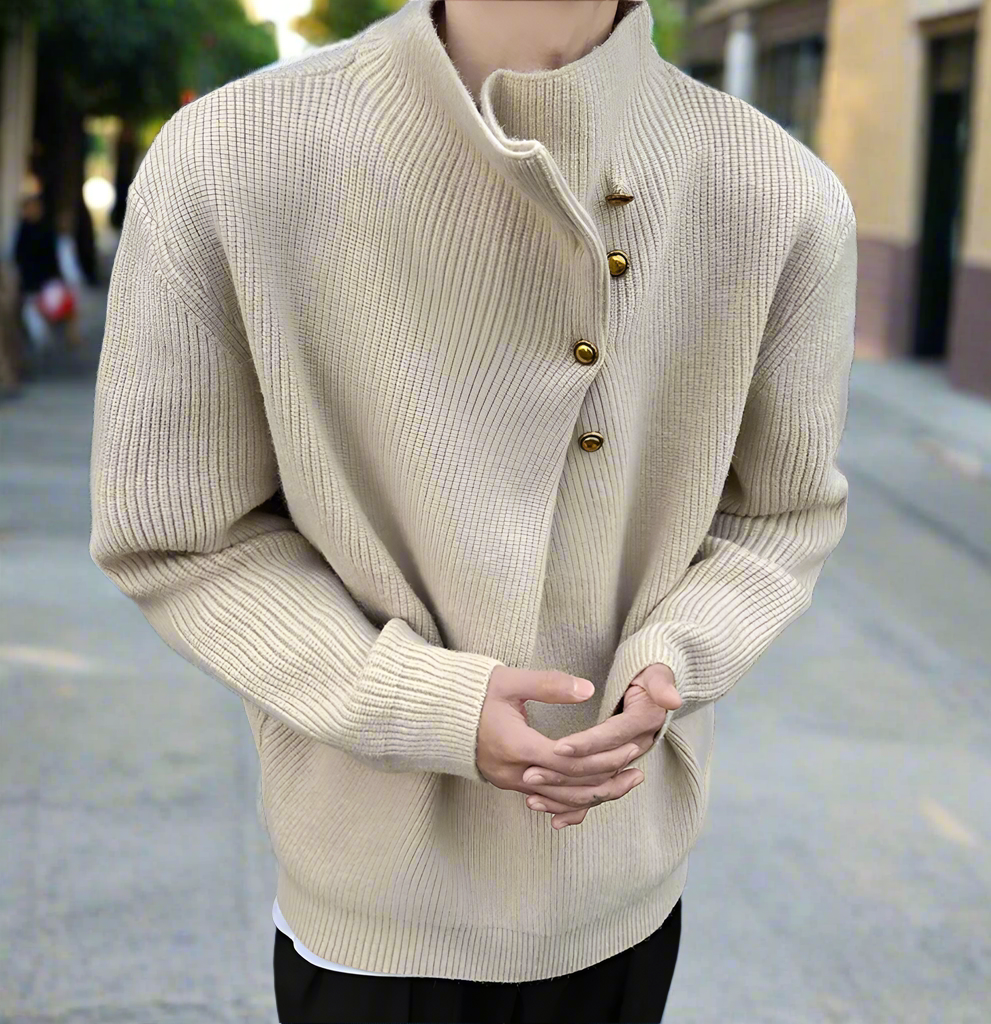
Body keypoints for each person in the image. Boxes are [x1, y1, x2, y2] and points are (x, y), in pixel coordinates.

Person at [88, 1, 857, 1022]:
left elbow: (781, 515)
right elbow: (179, 534)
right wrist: (424, 702)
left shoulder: (781, 196)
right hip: (374, 898)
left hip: (620, 895)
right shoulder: (228, 161)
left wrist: (679, 650)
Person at [13, 191, 82, 351]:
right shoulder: (23, 232)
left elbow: (56, 260)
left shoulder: (48, 232)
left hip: (50, 283)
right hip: (30, 285)